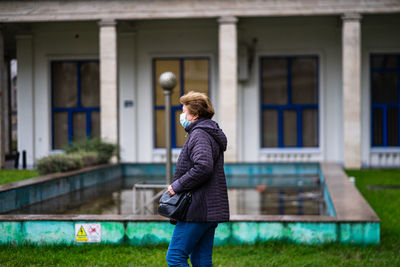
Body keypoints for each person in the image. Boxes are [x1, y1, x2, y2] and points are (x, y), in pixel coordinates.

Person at [166, 91, 230, 267]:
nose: (182, 116)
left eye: (184, 111)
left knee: (175, 257)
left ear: (194, 115)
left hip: (197, 209)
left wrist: (177, 186)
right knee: (201, 260)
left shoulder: (200, 134)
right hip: (208, 209)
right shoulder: (208, 132)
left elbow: (203, 167)